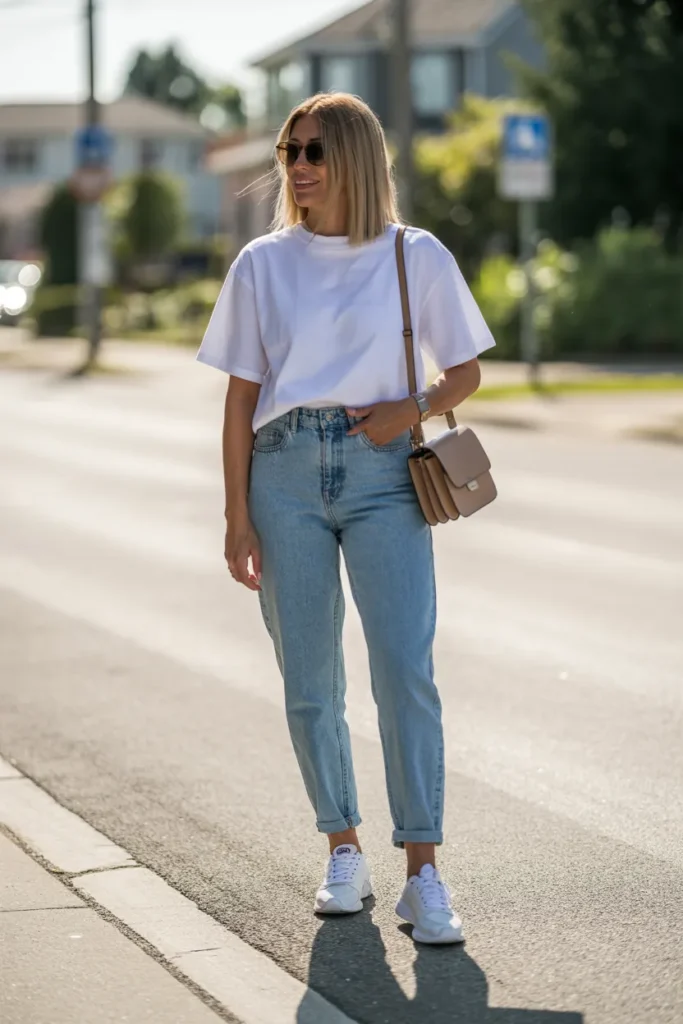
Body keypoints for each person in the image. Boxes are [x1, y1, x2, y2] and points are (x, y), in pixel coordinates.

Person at [197, 92, 495, 945]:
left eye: (315, 150)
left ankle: (423, 873)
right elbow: (239, 400)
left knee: (403, 669)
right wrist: (235, 516)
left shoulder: (414, 253)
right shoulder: (261, 263)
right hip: (282, 473)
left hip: (383, 472)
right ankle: (342, 850)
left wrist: (411, 408)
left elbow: (464, 371)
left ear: (355, 157)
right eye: (289, 150)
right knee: (309, 680)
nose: (297, 165)